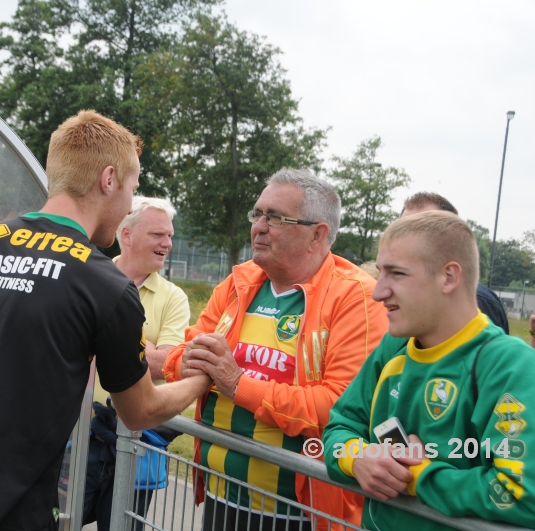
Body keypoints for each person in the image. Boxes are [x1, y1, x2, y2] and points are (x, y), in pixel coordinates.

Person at [0, 110, 212, 531]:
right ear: (108, 180)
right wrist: (203, 379)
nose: (128, 203)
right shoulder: (105, 286)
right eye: (131, 187)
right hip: (7, 515)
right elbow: (141, 411)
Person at [164, 168, 388, 531]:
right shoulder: (238, 281)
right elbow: (185, 354)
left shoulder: (357, 298)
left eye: (276, 217)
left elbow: (337, 407)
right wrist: (187, 360)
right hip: (220, 495)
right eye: (258, 214)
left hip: (297, 513)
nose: (259, 226)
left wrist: (238, 384)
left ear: (318, 235)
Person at [323, 211, 535, 530]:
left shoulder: (509, 364)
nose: (378, 292)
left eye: (397, 274)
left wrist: (417, 475)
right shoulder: (392, 348)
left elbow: (520, 495)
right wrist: (358, 458)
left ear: (448, 277)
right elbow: (338, 429)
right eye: (380, 273)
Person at [83, 196, 191, 530]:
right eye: (158, 234)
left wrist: (100, 338)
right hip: (80, 436)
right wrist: (145, 347)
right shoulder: (88, 277)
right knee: (58, 519)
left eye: (170, 236)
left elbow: (166, 365)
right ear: (126, 235)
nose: (167, 243)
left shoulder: (174, 297)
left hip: (135, 443)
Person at [401, 191, 509, 334]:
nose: (407, 240)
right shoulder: (391, 295)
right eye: (402, 229)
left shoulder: (479, 301)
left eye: (422, 230)